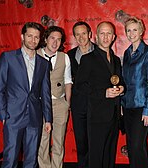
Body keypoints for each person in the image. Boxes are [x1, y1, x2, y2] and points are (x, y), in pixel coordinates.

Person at [0, 22, 52, 168]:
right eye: (30, 36)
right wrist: (3, 115)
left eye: (36, 37)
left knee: (31, 159)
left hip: (34, 116)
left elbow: (45, 93)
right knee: (10, 158)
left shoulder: (43, 63)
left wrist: (48, 118)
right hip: (12, 117)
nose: (33, 40)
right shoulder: (8, 58)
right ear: (22, 36)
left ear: (40, 39)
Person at [75, 21, 124, 168]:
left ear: (114, 37)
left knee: (110, 154)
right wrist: (103, 93)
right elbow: (80, 86)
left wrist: (122, 88)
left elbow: (119, 81)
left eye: (109, 33)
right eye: (102, 33)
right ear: (96, 36)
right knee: (96, 156)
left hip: (113, 115)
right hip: (96, 115)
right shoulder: (88, 59)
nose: (105, 36)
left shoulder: (116, 59)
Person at [121, 17, 148, 168]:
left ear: (141, 31)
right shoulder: (127, 53)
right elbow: (124, 81)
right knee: (132, 147)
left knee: (137, 146)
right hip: (128, 107)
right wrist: (122, 104)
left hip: (142, 107)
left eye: (135, 29)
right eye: (128, 30)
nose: (131, 33)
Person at [37, 26, 72, 168]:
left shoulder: (65, 57)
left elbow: (68, 81)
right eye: (52, 38)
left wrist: (67, 103)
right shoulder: (35, 55)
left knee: (59, 141)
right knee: (42, 141)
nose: (55, 42)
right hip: (40, 104)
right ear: (45, 39)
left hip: (59, 103)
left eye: (58, 39)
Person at [67, 21, 95, 168]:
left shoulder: (99, 52)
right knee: (81, 142)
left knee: (96, 141)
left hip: (97, 105)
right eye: (77, 34)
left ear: (90, 34)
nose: (81, 37)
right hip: (78, 106)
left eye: (84, 33)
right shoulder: (69, 56)